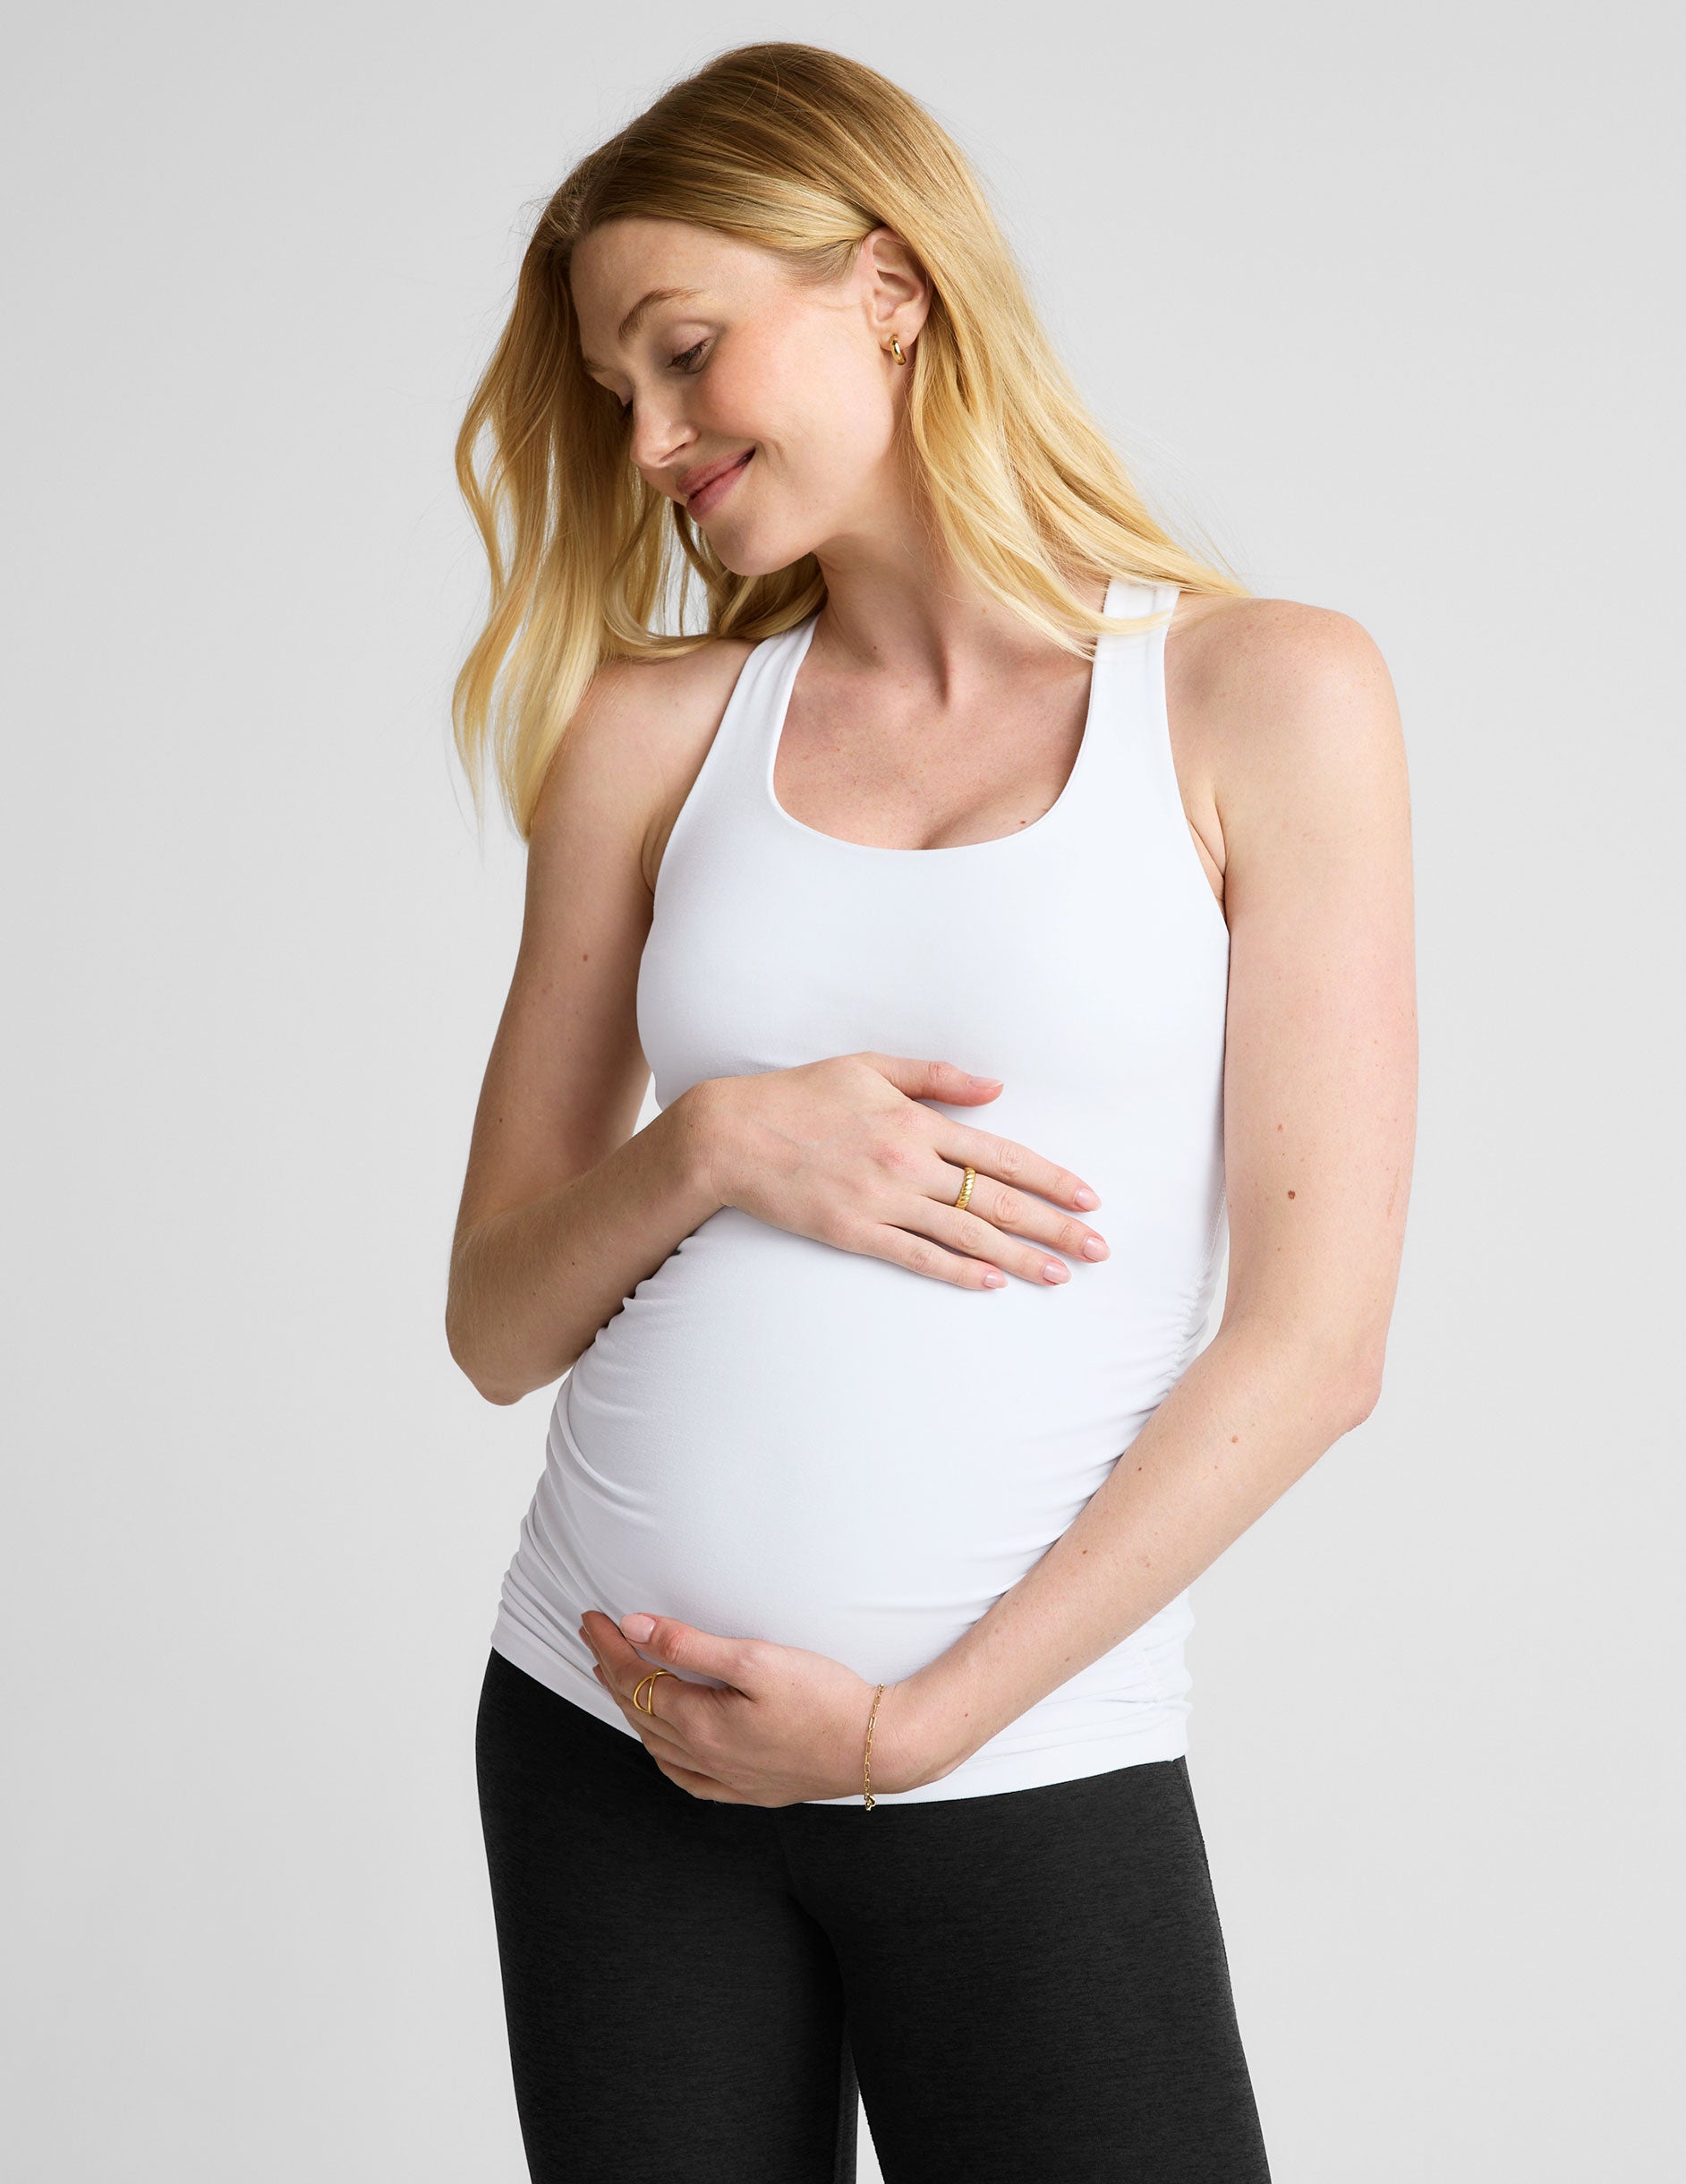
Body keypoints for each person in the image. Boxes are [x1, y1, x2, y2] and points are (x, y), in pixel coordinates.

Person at [445, 39, 1416, 2184]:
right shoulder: (648, 728)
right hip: (606, 1738)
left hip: (1021, 1758)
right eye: (618, 392)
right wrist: (715, 1141)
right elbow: (496, 1316)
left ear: (889, 281)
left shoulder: (1268, 696)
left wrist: (909, 1733)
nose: (653, 439)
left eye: (685, 352)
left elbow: (1314, 1345)